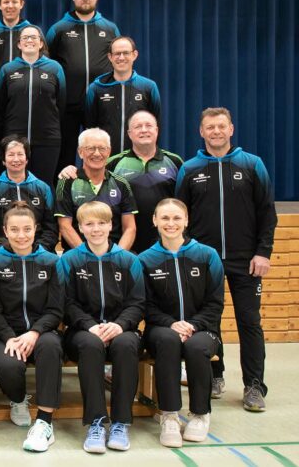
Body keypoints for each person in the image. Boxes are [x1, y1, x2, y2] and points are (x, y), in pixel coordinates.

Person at [176, 107, 277, 411]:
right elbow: (180, 215)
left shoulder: (252, 165)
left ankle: (254, 386)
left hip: (246, 261)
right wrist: (188, 253)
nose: (216, 132)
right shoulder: (190, 169)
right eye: (210, 127)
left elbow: (266, 212)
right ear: (201, 132)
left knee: (249, 322)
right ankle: (215, 375)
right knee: (209, 321)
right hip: (204, 262)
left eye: (221, 126)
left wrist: (263, 252)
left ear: (231, 129)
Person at [57, 201, 144, 454]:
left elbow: (138, 303)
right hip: (82, 332)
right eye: (89, 224)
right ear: (80, 227)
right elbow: (65, 302)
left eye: (101, 223)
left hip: (121, 329)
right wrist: (90, 325)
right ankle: (95, 422)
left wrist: (120, 325)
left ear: (111, 225)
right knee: (91, 345)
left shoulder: (129, 260)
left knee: (127, 345)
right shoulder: (69, 260)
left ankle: (120, 422)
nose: (96, 229)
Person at [139, 199, 224, 447]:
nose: (171, 223)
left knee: (197, 347)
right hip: (161, 329)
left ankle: (200, 414)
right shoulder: (145, 259)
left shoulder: (207, 255)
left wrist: (193, 325)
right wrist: (172, 324)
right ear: (154, 220)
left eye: (177, 218)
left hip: (203, 329)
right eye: (165, 218)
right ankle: (169, 415)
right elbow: (146, 305)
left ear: (186, 220)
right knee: (168, 341)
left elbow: (215, 303)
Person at [0, 202, 64, 452]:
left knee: (51, 347)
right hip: (4, 333)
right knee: (8, 365)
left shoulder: (51, 261)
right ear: (5, 231)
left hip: (42, 331)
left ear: (36, 229)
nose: (21, 235)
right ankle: (18, 400)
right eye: (15, 229)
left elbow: (56, 309)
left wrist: (34, 332)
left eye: (27, 229)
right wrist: (10, 336)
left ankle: (45, 421)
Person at [59, 111, 182, 253]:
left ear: (157, 130)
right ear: (129, 133)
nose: (144, 130)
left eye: (148, 125)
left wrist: (116, 255)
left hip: (165, 242)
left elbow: (182, 204)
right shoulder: (115, 162)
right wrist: (70, 170)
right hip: (128, 246)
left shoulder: (175, 161)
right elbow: (92, 170)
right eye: (138, 126)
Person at [46, 0, 121, 177]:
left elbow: (119, 60)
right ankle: (64, 191)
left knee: (101, 151)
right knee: (65, 155)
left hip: (101, 102)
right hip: (68, 104)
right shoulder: (59, 29)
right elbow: (47, 64)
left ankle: (105, 189)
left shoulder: (110, 29)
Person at [0, 26, 66, 182]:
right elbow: (0, 104)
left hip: (47, 138)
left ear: (41, 43)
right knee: (15, 183)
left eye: (34, 37)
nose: (29, 40)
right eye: (25, 37)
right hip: (14, 139)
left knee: (44, 184)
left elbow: (61, 103)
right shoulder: (7, 70)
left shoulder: (55, 68)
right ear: (19, 44)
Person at [55, 128, 138, 250]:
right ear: (80, 152)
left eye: (102, 148)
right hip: (79, 255)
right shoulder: (67, 182)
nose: (97, 153)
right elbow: (65, 226)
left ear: (109, 152)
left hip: (114, 254)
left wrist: (117, 255)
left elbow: (130, 228)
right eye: (91, 148)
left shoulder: (121, 184)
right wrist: (87, 255)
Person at [84, 36, 162, 155]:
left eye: (126, 53)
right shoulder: (96, 88)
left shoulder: (148, 87)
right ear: (110, 57)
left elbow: (155, 125)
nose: (121, 57)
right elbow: (90, 127)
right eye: (117, 54)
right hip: (105, 158)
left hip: (137, 158)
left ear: (134, 55)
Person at [0, 136, 58, 254]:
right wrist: (7, 249)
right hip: (3, 253)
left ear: (27, 158)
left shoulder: (43, 188)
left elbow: (51, 227)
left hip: (39, 252)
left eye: (20, 154)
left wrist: (37, 249)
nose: (16, 159)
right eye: (11, 155)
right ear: (3, 160)